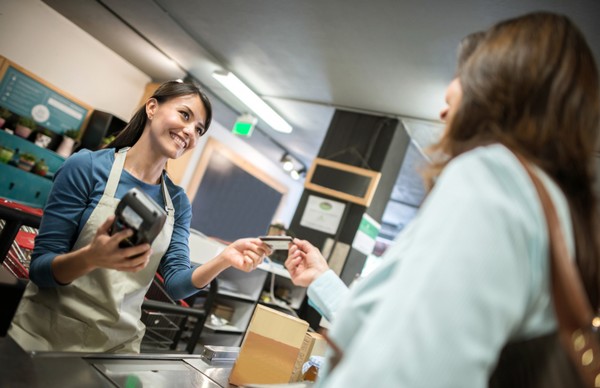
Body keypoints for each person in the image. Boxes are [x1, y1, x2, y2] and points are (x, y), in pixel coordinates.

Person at [285, 12, 600, 387]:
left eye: (463, 75)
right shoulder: (554, 208)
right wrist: (322, 280)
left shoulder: (491, 178)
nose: (444, 107)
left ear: (496, 83)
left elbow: (406, 371)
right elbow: (402, 330)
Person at [9, 80, 272, 353]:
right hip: (44, 339)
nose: (190, 132)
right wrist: (90, 258)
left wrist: (223, 259)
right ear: (152, 107)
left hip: (115, 350)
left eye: (199, 129)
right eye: (185, 115)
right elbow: (40, 270)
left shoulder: (177, 203)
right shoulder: (86, 167)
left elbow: (175, 285)